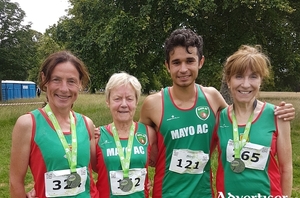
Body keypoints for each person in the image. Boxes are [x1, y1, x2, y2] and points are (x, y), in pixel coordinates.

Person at [139, 28, 295, 197]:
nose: (183, 69)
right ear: (167, 66)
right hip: (166, 193)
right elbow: (136, 146)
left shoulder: (212, 97)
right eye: (176, 62)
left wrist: (280, 111)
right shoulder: (153, 104)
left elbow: (243, 110)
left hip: (204, 193)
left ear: (200, 62)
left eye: (190, 60)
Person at [9, 51, 99, 198]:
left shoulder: (87, 124)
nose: (64, 89)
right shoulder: (28, 124)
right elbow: (15, 182)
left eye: (71, 81)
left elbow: (96, 169)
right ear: (45, 80)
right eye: (56, 79)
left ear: (80, 84)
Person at [213, 45, 292, 197]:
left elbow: (286, 167)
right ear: (228, 81)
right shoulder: (219, 118)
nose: (246, 84)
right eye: (239, 76)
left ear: (261, 80)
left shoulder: (277, 116)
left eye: (253, 76)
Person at [95, 72, 157, 198]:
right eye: (117, 99)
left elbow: (157, 163)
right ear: (108, 102)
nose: (124, 104)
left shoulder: (149, 133)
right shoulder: (97, 136)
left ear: (136, 102)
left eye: (129, 99)